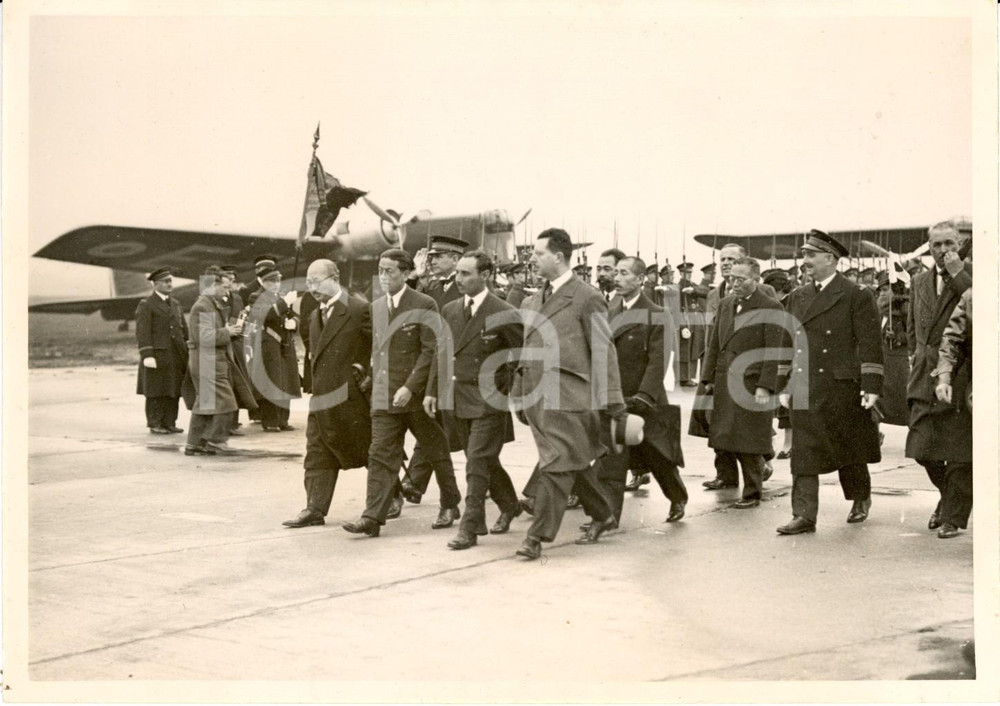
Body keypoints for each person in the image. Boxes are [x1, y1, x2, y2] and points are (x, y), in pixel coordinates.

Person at [510, 228, 625, 559]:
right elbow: (525, 349)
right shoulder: (533, 299)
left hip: (570, 396)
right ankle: (603, 514)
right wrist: (519, 392)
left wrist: (613, 402)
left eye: (538, 253)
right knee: (571, 461)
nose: (531, 258)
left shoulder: (586, 296)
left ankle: (537, 536)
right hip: (537, 397)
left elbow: (604, 351)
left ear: (558, 257)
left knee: (556, 464)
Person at [343, 249, 462, 537]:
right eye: (380, 270)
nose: (383, 276)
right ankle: (372, 517)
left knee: (434, 449)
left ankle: (450, 502)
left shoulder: (424, 303)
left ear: (407, 273)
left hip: (416, 395)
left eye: (390, 271)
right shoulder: (377, 306)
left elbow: (429, 350)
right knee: (380, 455)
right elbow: (378, 350)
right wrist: (371, 379)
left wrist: (411, 387)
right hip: (384, 395)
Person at [776, 230, 883, 534]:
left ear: (830, 259)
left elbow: (870, 343)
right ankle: (804, 515)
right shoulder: (797, 296)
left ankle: (860, 497)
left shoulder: (856, 294)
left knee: (850, 448)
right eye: (805, 254)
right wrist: (783, 382)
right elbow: (788, 340)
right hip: (804, 385)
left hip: (841, 386)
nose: (805, 261)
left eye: (811, 255)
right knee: (804, 452)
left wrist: (872, 385)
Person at [424, 250, 524, 549]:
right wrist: (431, 390)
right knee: (481, 460)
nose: (459, 279)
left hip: (486, 402)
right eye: (457, 273)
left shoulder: (504, 311)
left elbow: (521, 359)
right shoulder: (451, 310)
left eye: (466, 274)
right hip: (456, 398)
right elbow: (440, 354)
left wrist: (503, 389)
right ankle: (509, 505)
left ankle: (470, 526)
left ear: (487, 275)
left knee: (476, 463)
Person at [596, 256, 687, 524]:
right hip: (616, 396)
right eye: (617, 273)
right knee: (612, 457)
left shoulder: (656, 314)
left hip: (645, 399)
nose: (618, 278)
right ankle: (608, 516)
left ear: (639, 279)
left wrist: (645, 396)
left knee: (658, 455)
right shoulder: (609, 310)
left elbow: (659, 359)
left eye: (624, 273)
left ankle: (677, 497)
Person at [283, 260, 373, 529]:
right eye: (308, 282)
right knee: (317, 451)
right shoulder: (313, 315)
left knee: (367, 449)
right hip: (322, 399)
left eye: (317, 281)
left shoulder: (358, 309)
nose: (312, 287)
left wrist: (365, 370)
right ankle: (315, 508)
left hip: (351, 397)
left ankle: (391, 496)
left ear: (335, 278)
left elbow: (379, 345)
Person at [905, 221, 972, 539]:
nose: (943, 251)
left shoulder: (975, 276)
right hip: (924, 374)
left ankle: (954, 517)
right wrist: (914, 362)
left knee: (959, 451)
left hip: (960, 372)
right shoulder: (919, 281)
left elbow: (978, 307)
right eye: (936, 246)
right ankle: (948, 498)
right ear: (928, 248)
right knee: (922, 447)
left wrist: (960, 273)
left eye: (949, 244)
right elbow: (913, 329)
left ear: (960, 244)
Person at [700, 257, 784, 509]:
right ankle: (732, 480)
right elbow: (714, 343)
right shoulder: (726, 304)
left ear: (756, 279)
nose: (734, 283)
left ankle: (752, 493)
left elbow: (774, 350)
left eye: (741, 279)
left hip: (751, 381)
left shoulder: (772, 307)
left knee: (749, 439)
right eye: (730, 278)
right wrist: (708, 378)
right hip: (725, 379)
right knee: (727, 434)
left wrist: (765, 385)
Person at [402, 235, 469, 502]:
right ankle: (415, 484)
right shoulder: (428, 287)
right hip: (433, 366)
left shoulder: (466, 287)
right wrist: (414, 276)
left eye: (438, 257)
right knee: (433, 424)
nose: (432, 261)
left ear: (455, 259)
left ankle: (485, 479)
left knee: (467, 433)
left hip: (458, 368)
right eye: (431, 257)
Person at [184, 266, 244, 456]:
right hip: (208, 362)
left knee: (206, 405)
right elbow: (205, 337)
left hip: (207, 361)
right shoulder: (204, 306)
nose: (228, 291)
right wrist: (229, 332)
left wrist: (230, 332)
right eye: (225, 287)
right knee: (227, 404)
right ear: (212, 286)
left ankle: (195, 444)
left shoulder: (210, 304)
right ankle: (216, 441)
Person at [932, 287, 972, 538]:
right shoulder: (972, 296)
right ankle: (953, 517)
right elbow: (951, 340)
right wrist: (944, 377)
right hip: (980, 384)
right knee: (963, 455)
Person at [135, 267, 189, 434]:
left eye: (170, 281)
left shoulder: (175, 303)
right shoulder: (147, 305)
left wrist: (188, 346)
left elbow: (183, 328)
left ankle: (170, 423)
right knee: (156, 390)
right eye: (165, 282)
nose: (169, 284)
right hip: (158, 355)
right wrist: (147, 354)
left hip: (176, 354)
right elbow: (143, 332)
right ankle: (155, 423)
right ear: (156, 284)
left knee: (173, 389)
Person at [247, 266, 301, 432]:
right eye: (272, 281)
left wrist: (294, 323)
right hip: (269, 344)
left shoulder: (281, 297)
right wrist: (285, 303)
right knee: (272, 382)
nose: (277, 284)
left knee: (286, 381)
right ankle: (270, 420)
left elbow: (293, 316)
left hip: (285, 343)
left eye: (278, 280)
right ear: (264, 282)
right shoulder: (256, 296)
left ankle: (283, 420)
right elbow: (267, 315)